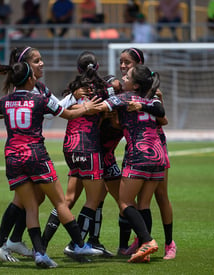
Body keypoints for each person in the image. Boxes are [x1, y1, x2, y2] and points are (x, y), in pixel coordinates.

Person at [0, 55, 104, 268]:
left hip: (12, 156)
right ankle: (79, 244)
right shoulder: (40, 99)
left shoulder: (4, 101)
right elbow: (66, 113)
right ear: (30, 79)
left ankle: (40, 253)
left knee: (30, 207)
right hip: (35, 155)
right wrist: (86, 108)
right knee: (59, 201)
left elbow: (0, 115)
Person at [42, 51, 115, 259]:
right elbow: (115, 96)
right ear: (98, 67)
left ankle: (43, 245)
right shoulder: (102, 90)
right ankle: (77, 244)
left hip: (69, 147)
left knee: (69, 199)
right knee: (95, 198)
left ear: (78, 69)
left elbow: (60, 109)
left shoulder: (73, 90)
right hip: (89, 147)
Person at [98, 64, 166, 263]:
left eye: (127, 78)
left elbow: (103, 106)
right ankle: (144, 249)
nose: (123, 80)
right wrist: (143, 105)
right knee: (143, 205)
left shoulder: (125, 97)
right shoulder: (151, 98)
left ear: (135, 85)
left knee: (125, 202)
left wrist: (84, 106)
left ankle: (147, 241)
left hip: (139, 155)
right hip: (158, 156)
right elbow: (160, 110)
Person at [117, 48, 176, 260]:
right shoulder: (126, 90)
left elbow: (163, 119)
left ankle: (168, 243)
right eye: (121, 62)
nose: (123, 66)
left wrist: (140, 105)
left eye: (127, 62)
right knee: (140, 201)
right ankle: (142, 242)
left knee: (158, 196)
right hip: (140, 147)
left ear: (139, 65)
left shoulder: (150, 93)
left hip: (152, 145)